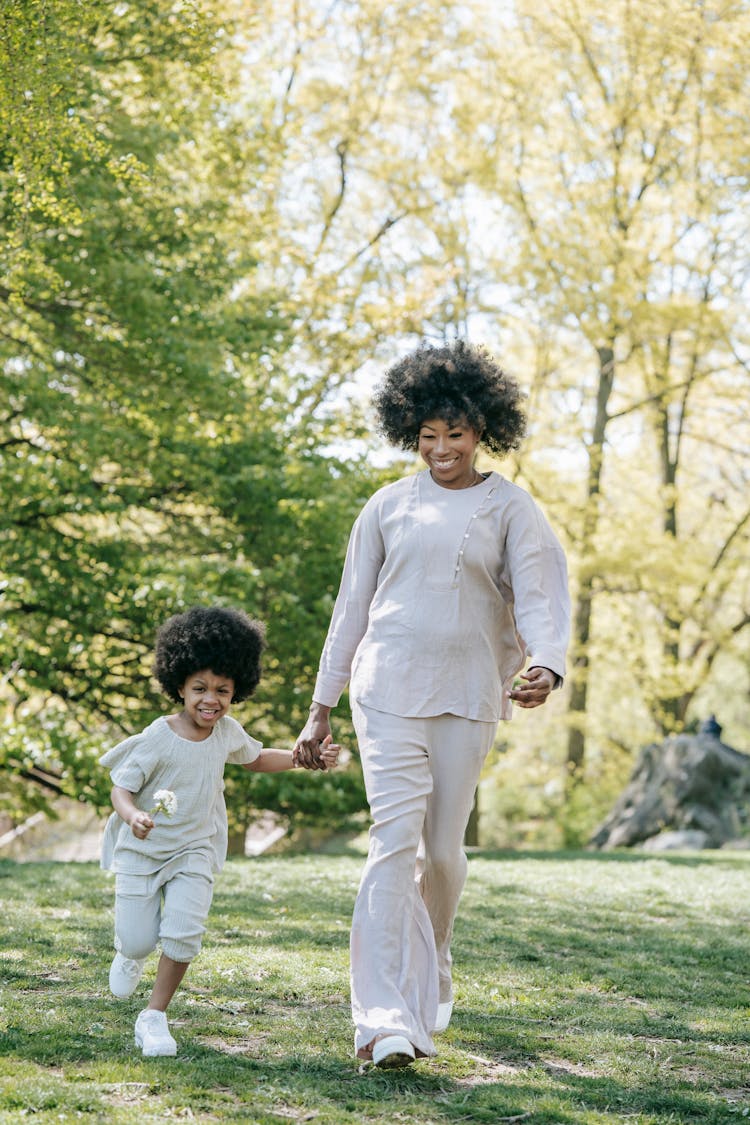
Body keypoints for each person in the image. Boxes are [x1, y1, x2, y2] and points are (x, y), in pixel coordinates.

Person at [294, 340, 569, 1068]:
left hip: (469, 692)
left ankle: (436, 953)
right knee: (391, 843)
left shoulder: (510, 506)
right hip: (385, 690)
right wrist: (322, 705)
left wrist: (545, 664)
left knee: (441, 853)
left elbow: (537, 597)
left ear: (483, 430)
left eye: (455, 433)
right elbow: (350, 608)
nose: (441, 448)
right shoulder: (386, 505)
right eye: (428, 435)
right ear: (410, 432)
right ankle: (383, 1018)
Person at [100, 605, 340, 1058]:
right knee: (137, 938)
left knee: (185, 929)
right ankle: (129, 954)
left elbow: (255, 758)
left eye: (222, 690)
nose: (211, 699)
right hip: (143, 850)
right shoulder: (158, 735)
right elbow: (120, 788)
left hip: (195, 848)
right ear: (179, 686)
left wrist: (303, 758)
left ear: (237, 692)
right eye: (200, 689)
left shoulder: (227, 731)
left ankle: (153, 1017)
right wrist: (132, 816)